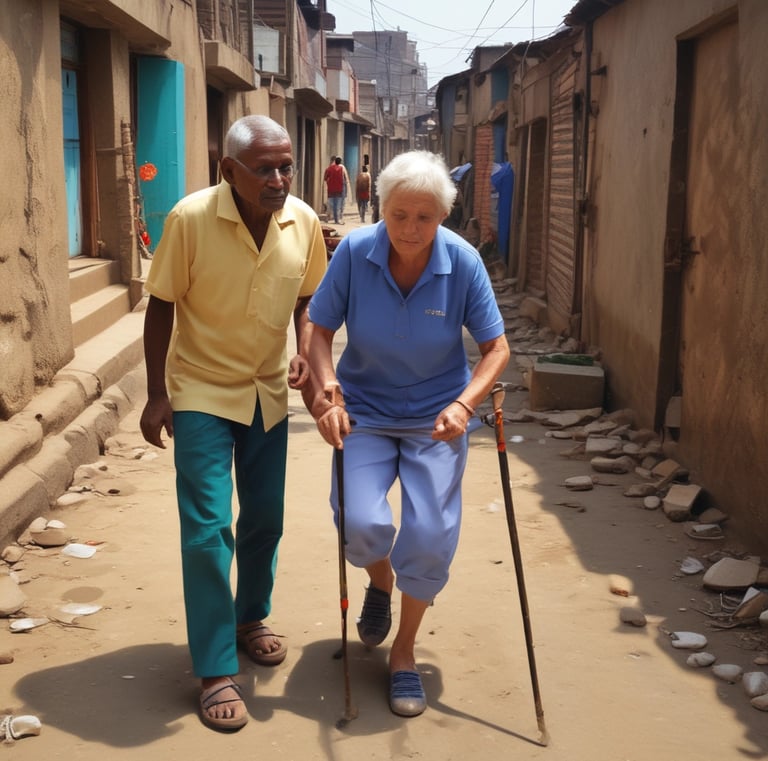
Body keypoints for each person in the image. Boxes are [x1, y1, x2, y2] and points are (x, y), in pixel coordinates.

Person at [139, 115, 328, 732]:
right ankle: (216, 666)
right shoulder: (190, 219)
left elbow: (308, 303)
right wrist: (155, 395)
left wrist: (305, 349)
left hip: (268, 390)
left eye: (286, 166)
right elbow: (161, 304)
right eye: (265, 168)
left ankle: (251, 618)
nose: (278, 179)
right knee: (206, 530)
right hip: (200, 391)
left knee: (265, 520)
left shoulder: (302, 222)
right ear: (230, 171)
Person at [306, 150, 510, 717]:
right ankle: (380, 583)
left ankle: (403, 653)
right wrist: (328, 393)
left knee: (430, 535)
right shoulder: (353, 252)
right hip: (365, 411)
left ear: (443, 217)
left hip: (435, 419)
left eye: (425, 218)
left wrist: (465, 405)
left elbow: (496, 349)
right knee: (360, 521)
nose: (410, 230)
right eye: (399, 215)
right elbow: (319, 331)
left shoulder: (463, 261)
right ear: (381, 209)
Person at [323, 156, 345, 224]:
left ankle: (327, 218)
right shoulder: (341, 168)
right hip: (339, 190)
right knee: (337, 206)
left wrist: (329, 182)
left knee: (330, 205)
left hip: (331, 190)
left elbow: (325, 178)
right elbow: (343, 179)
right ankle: (336, 220)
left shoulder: (329, 169)